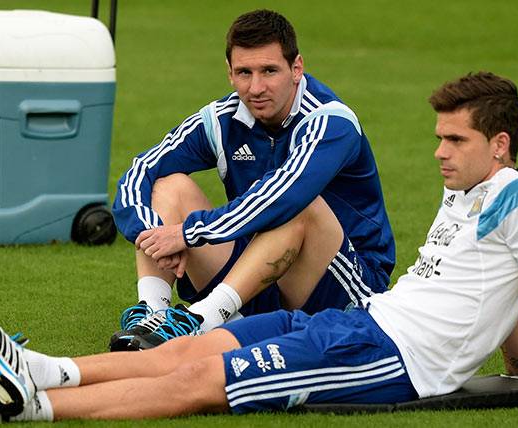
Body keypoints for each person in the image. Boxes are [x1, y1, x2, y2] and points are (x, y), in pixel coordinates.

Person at [0, 71, 518, 423]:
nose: (438, 152)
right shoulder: (469, 190)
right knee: (188, 348)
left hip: (390, 358)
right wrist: (514, 375)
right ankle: (38, 367)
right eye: (439, 136)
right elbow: (491, 285)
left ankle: (26, 406)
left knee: (201, 385)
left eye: (454, 140)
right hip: (362, 322)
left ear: (499, 144)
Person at [108, 9, 395, 350]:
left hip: (342, 287)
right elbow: (142, 169)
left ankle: (200, 320)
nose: (256, 88)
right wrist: (153, 234)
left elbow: (284, 196)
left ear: (296, 68)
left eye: (269, 71)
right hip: (258, 275)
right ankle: (151, 317)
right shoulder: (222, 119)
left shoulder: (331, 121)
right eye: (244, 72)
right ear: (229, 73)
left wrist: (186, 233)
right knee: (168, 185)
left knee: (300, 206)